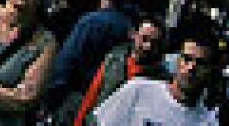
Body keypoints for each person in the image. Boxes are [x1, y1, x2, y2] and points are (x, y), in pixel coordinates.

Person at [45, 0, 137, 120]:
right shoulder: (131, 30)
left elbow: (67, 61)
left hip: (76, 101)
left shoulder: (90, 23)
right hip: (106, 106)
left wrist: (51, 99)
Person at [89, 26, 221, 126]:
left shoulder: (207, 122)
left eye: (201, 63)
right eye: (187, 59)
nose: (191, 68)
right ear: (177, 60)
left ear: (210, 71)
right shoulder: (138, 90)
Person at [70, 15, 168, 126]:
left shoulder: (159, 79)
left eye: (154, 43)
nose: (148, 46)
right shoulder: (114, 59)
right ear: (133, 34)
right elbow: (93, 93)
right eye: (144, 39)